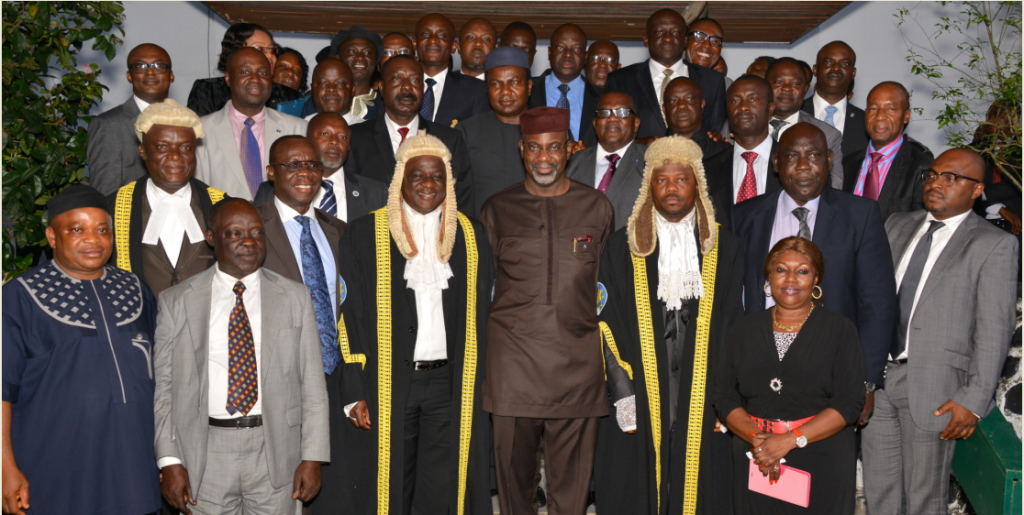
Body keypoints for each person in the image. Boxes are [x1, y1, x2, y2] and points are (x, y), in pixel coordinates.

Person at [332, 133, 494, 515]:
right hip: (386, 382)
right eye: (417, 175)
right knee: (391, 486)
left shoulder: (471, 236)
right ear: (400, 180)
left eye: (437, 176)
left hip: (448, 384)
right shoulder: (363, 234)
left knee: (442, 488)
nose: (427, 184)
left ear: (448, 182)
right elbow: (347, 315)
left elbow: (484, 317)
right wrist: (355, 390)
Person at [594, 136, 745, 515]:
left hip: (704, 396)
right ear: (649, 185)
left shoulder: (726, 247)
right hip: (642, 392)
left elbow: (736, 328)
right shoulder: (619, 248)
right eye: (662, 180)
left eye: (682, 179)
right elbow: (606, 326)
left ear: (698, 185)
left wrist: (726, 402)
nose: (672, 188)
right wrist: (624, 395)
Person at [863, 148, 1018, 515]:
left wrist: (974, 400)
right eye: (932, 175)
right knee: (879, 495)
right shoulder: (896, 224)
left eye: (951, 178)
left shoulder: (993, 243)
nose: (936, 183)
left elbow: (994, 328)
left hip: (936, 389)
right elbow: (872, 300)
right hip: (878, 384)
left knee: (924, 500)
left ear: (977, 189)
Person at [155, 198, 330, 515]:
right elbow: (164, 389)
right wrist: (170, 460)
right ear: (211, 237)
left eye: (257, 233)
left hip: (276, 451)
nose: (249, 243)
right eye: (235, 233)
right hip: (204, 453)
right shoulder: (176, 301)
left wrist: (313, 456)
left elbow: (313, 385)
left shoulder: (294, 296)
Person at [480, 107, 614, 515]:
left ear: (570, 150)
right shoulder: (496, 209)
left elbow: (609, 288)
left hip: (578, 365)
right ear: (522, 149)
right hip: (513, 368)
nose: (544, 157)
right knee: (513, 489)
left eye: (554, 148)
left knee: (571, 493)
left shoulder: (597, 207)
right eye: (535, 148)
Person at [2, 185, 162, 515]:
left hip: (135, 468)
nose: (93, 239)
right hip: (56, 472)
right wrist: (6, 469)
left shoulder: (135, 289)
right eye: (77, 230)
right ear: (51, 236)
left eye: (102, 230)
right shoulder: (19, 297)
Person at [732, 123, 897, 432]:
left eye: (814, 155)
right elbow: (733, 298)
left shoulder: (860, 215)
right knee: (758, 471)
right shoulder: (745, 215)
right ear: (777, 163)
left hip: (834, 378)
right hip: (759, 373)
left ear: (830, 160)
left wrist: (867, 382)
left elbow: (878, 305)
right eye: (793, 155)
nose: (805, 166)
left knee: (822, 473)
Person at [715, 236, 867, 515]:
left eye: (803, 271)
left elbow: (849, 402)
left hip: (821, 455)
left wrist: (790, 439)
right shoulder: (743, 330)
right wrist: (759, 440)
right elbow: (724, 395)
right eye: (781, 269)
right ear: (768, 277)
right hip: (755, 455)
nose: (791, 279)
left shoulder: (840, 330)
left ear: (816, 279)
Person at [108, 99, 225, 296]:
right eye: (162, 146)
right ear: (143, 151)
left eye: (185, 147)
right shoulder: (113, 207)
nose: (175, 156)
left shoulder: (221, 205)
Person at [346, 55, 474, 211]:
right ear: (381, 87)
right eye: (397, 79)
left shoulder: (448, 139)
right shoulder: (356, 137)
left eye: (415, 80)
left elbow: (462, 200)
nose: (407, 87)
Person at [195, 48, 307, 200]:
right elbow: (197, 193)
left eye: (263, 73)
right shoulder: (200, 130)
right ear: (228, 78)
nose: (255, 79)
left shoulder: (298, 129)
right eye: (245, 72)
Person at [606, 9, 728, 138]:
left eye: (676, 32)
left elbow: (717, 131)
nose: (668, 38)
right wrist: (637, 146)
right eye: (659, 32)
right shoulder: (620, 79)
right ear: (646, 40)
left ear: (685, 40)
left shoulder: (713, 80)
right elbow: (610, 131)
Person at [254, 114, 387, 222]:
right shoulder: (270, 191)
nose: (334, 141)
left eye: (342, 137)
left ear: (349, 146)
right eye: (324, 134)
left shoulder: (375, 192)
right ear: (308, 140)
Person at [87, 43, 174, 195]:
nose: (150, 72)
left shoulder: (188, 120)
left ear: (171, 75)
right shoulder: (108, 125)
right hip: (132, 217)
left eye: (158, 65)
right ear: (129, 76)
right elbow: (105, 194)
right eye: (140, 67)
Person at [842, 81, 932, 222]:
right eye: (873, 109)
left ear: (906, 115)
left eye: (890, 109)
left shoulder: (923, 166)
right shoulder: (847, 163)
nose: (879, 116)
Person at [457, 46, 532, 216]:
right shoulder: (466, 132)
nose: (505, 92)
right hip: (479, 235)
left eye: (514, 82)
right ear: (487, 89)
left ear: (529, 86)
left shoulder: (547, 130)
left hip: (535, 235)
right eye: (496, 84)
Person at [704, 75, 782, 227]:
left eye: (753, 99)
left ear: (770, 108)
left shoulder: (791, 163)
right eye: (735, 101)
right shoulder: (706, 169)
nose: (743, 107)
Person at [565, 90, 647, 229]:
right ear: (595, 124)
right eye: (604, 113)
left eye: (622, 112)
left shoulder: (653, 162)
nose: (612, 118)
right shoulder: (573, 162)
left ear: (636, 123)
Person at [186, 23, 301, 117]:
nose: (270, 56)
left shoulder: (288, 95)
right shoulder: (207, 90)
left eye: (272, 50)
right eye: (260, 49)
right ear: (236, 52)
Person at [762, 58, 844, 188]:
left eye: (795, 83)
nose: (787, 88)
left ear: (805, 88)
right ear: (765, 85)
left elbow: (836, 185)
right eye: (779, 82)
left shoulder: (827, 134)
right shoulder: (742, 126)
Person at [527, 24, 600, 146]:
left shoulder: (601, 97)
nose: (568, 54)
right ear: (550, 52)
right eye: (561, 47)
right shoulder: (527, 91)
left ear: (586, 57)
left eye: (576, 49)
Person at [414, 13, 490, 127]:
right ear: (414, 43)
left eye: (442, 35)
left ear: (454, 46)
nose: (433, 40)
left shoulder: (475, 90)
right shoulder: (397, 84)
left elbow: (479, 138)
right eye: (425, 34)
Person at [802, 41, 868, 157]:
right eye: (828, 62)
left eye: (845, 64)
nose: (836, 68)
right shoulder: (794, 114)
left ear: (853, 72)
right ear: (815, 69)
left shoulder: (866, 122)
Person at [971, 100, 1022, 236]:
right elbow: (968, 183)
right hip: (979, 223)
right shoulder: (977, 148)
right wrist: (997, 208)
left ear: (1014, 120)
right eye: (990, 115)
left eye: (998, 116)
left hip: (1016, 226)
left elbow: (1017, 183)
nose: (992, 120)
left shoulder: (1020, 149)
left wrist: (983, 193)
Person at [663, 77, 732, 159]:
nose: (681, 105)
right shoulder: (652, 153)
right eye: (673, 101)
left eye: (690, 99)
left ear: (702, 105)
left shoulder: (726, 152)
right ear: (664, 109)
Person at [331, 25, 384, 121]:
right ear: (338, 60)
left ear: (376, 62)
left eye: (367, 52)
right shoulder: (323, 99)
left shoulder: (386, 103)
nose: (360, 57)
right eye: (352, 51)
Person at [305, 57, 362, 127]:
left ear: (352, 89)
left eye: (340, 83)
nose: (331, 88)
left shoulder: (368, 132)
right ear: (312, 88)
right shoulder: (300, 129)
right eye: (322, 83)